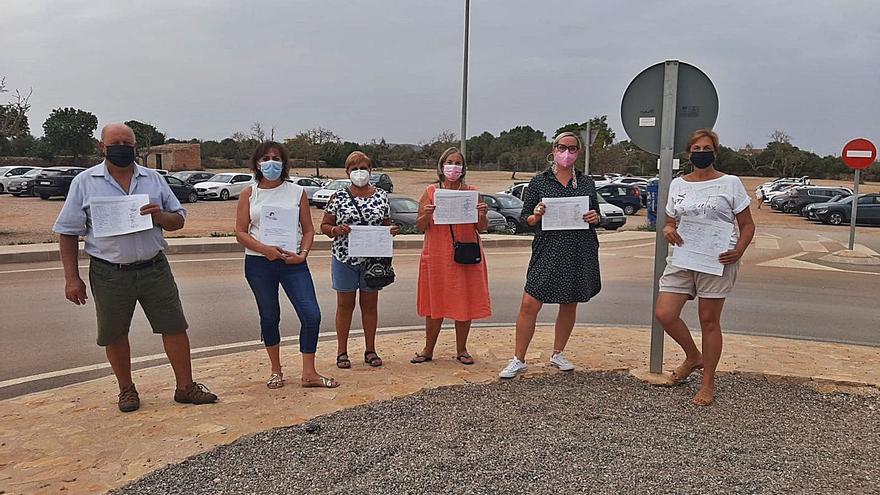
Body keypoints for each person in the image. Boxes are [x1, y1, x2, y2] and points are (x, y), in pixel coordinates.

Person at [53, 123, 217, 413]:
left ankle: (185, 386)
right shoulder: (85, 181)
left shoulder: (153, 179)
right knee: (114, 333)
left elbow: (178, 220)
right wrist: (71, 278)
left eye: (127, 143)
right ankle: (126, 390)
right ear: (102, 147)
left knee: (175, 327)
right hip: (109, 272)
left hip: (154, 268)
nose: (122, 148)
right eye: (115, 142)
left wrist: (161, 217)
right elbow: (67, 232)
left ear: (135, 146)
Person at [654, 129, 755, 406]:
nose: (701, 153)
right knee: (664, 313)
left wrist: (738, 250)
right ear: (689, 154)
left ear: (715, 152)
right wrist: (667, 229)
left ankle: (707, 382)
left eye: (706, 148)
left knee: (709, 321)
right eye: (696, 149)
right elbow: (670, 221)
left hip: (717, 260)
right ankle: (693, 356)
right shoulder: (678, 185)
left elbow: (747, 225)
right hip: (683, 257)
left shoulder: (730, 183)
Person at [235, 141, 338, 389]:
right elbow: (240, 232)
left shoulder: (297, 192)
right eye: (266, 158)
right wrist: (264, 249)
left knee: (311, 315)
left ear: (284, 163)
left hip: (293, 263)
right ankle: (276, 370)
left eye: (276, 158)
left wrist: (303, 254)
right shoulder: (250, 193)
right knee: (269, 317)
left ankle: (309, 373)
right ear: (258, 163)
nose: (271, 162)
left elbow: (309, 230)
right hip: (260, 263)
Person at [499, 132, 602, 379]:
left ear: (579, 152)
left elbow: (596, 214)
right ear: (553, 149)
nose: (567, 152)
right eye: (562, 147)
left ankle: (558, 352)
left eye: (573, 148)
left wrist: (595, 218)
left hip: (579, 248)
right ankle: (519, 358)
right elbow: (525, 220)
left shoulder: (586, 182)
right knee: (530, 303)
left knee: (569, 301)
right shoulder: (538, 182)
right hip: (548, 249)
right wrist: (536, 215)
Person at [412, 147, 491, 365]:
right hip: (436, 256)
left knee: (464, 302)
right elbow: (419, 226)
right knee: (434, 304)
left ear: (463, 168)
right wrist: (426, 215)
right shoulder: (430, 192)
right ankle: (428, 349)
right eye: (450, 162)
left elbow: (481, 227)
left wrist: (482, 214)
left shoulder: (472, 192)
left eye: (458, 163)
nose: (453, 167)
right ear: (441, 165)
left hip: (465, 255)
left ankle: (462, 349)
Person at [320, 151, 398, 369]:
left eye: (363, 168)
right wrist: (336, 229)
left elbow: (386, 222)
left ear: (371, 170)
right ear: (347, 172)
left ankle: (370, 349)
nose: (359, 172)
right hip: (344, 257)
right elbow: (324, 226)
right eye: (354, 169)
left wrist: (390, 230)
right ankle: (342, 352)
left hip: (373, 261)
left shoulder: (381, 195)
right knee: (345, 305)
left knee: (370, 305)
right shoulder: (338, 197)